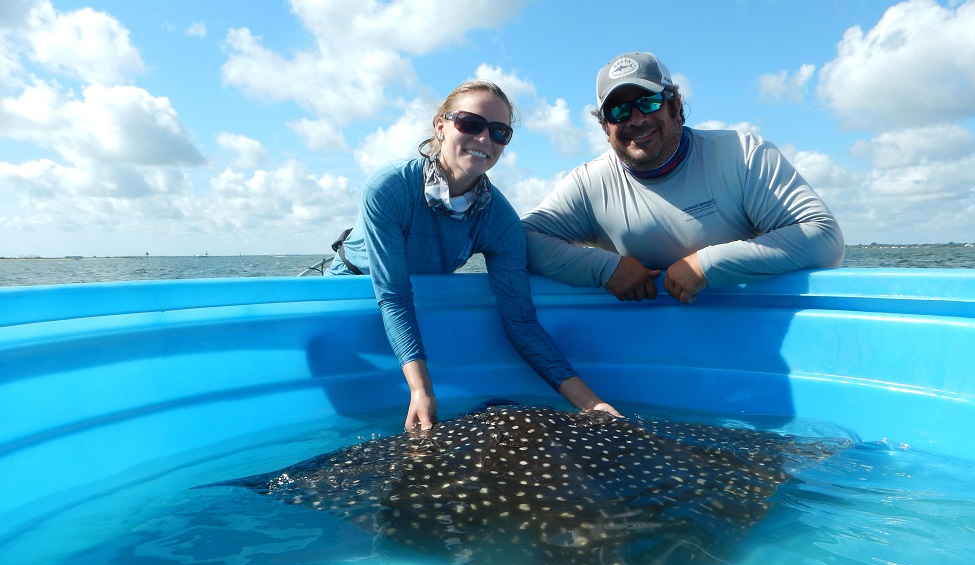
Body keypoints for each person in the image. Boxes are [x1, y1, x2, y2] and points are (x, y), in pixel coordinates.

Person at [328, 80, 618, 429]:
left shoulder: (501, 222)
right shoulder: (388, 188)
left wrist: (593, 405)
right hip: (352, 288)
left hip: (417, 301)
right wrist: (421, 390)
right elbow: (394, 296)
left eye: (500, 132)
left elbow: (521, 322)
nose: (484, 139)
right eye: (470, 123)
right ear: (441, 126)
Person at [522, 52, 845, 304]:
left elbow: (823, 238)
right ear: (605, 128)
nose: (636, 120)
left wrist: (706, 265)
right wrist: (604, 269)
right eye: (618, 112)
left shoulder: (742, 154)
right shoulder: (589, 183)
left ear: (675, 106)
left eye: (648, 103)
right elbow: (519, 239)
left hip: (747, 336)